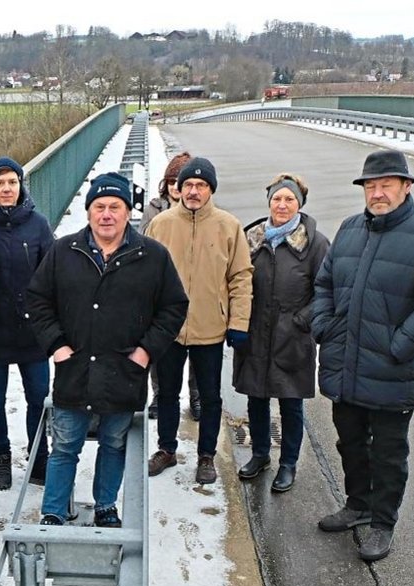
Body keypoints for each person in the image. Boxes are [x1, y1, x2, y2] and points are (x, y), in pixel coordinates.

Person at [311, 149, 414, 561]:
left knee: (389, 454)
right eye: (370, 186)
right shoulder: (349, 229)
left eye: (386, 185)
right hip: (345, 365)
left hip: (393, 371)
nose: (377, 193)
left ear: (406, 186)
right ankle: (358, 504)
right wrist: (323, 326)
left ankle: (382, 522)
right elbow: (324, 285)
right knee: (350, 443)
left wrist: (400, 345)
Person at [27, 172, 188, 527]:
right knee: (65, 445)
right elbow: (37, 300)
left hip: (123, 372)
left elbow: (174, 307)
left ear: (128, 211)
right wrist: (56, 345)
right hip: (74, 370)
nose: (106, 215)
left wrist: (145, 352)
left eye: (115, 207)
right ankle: (53, 510)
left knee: (114, 444)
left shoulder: (152, 256)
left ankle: (105, 506)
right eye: (99, 206)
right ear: (88, 212)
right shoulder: (64, 251)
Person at [144, 157, 254, 485]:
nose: (193, 191)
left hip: (210, 326)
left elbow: (241, 277)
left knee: (209, 396)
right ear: (178, 189)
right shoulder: (161, 224)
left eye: (201, 185)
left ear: (210, 190)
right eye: (188, 185)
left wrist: (238, 322)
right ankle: (166, 448)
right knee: (167, 392)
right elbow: (144, 275)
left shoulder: (228, 226)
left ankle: (206, 455)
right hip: (169, 327)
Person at [233, 173, 329, 493]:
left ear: (299, 204)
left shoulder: (315, 244)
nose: (282, 205)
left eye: (289, 199)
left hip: (293, 337)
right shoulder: (251, 238)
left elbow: (327, 290)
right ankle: (260, 454)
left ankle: (288, 462)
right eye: (277, 199)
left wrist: (302, 321)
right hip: (255, 333)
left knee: (291, 403)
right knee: (256, 398)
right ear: (269, 202)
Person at [0, 157, 54, 491]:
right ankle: (1, 457)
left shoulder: (38, 225)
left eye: (12, 182)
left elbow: (52, 276)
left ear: (21, 185)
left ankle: (39, 457)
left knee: (38, 397)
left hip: (32, 332)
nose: (6, 189)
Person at [140, 152, 200, 421]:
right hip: (162, 291)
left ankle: (196, 396)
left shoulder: (202, 211)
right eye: (172, 181)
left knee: (197, 351)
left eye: (181, 181)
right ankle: (159, 394)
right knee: (161, 348)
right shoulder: (154, 210)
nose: (177, 187)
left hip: (195, 290)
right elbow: (142, 242)